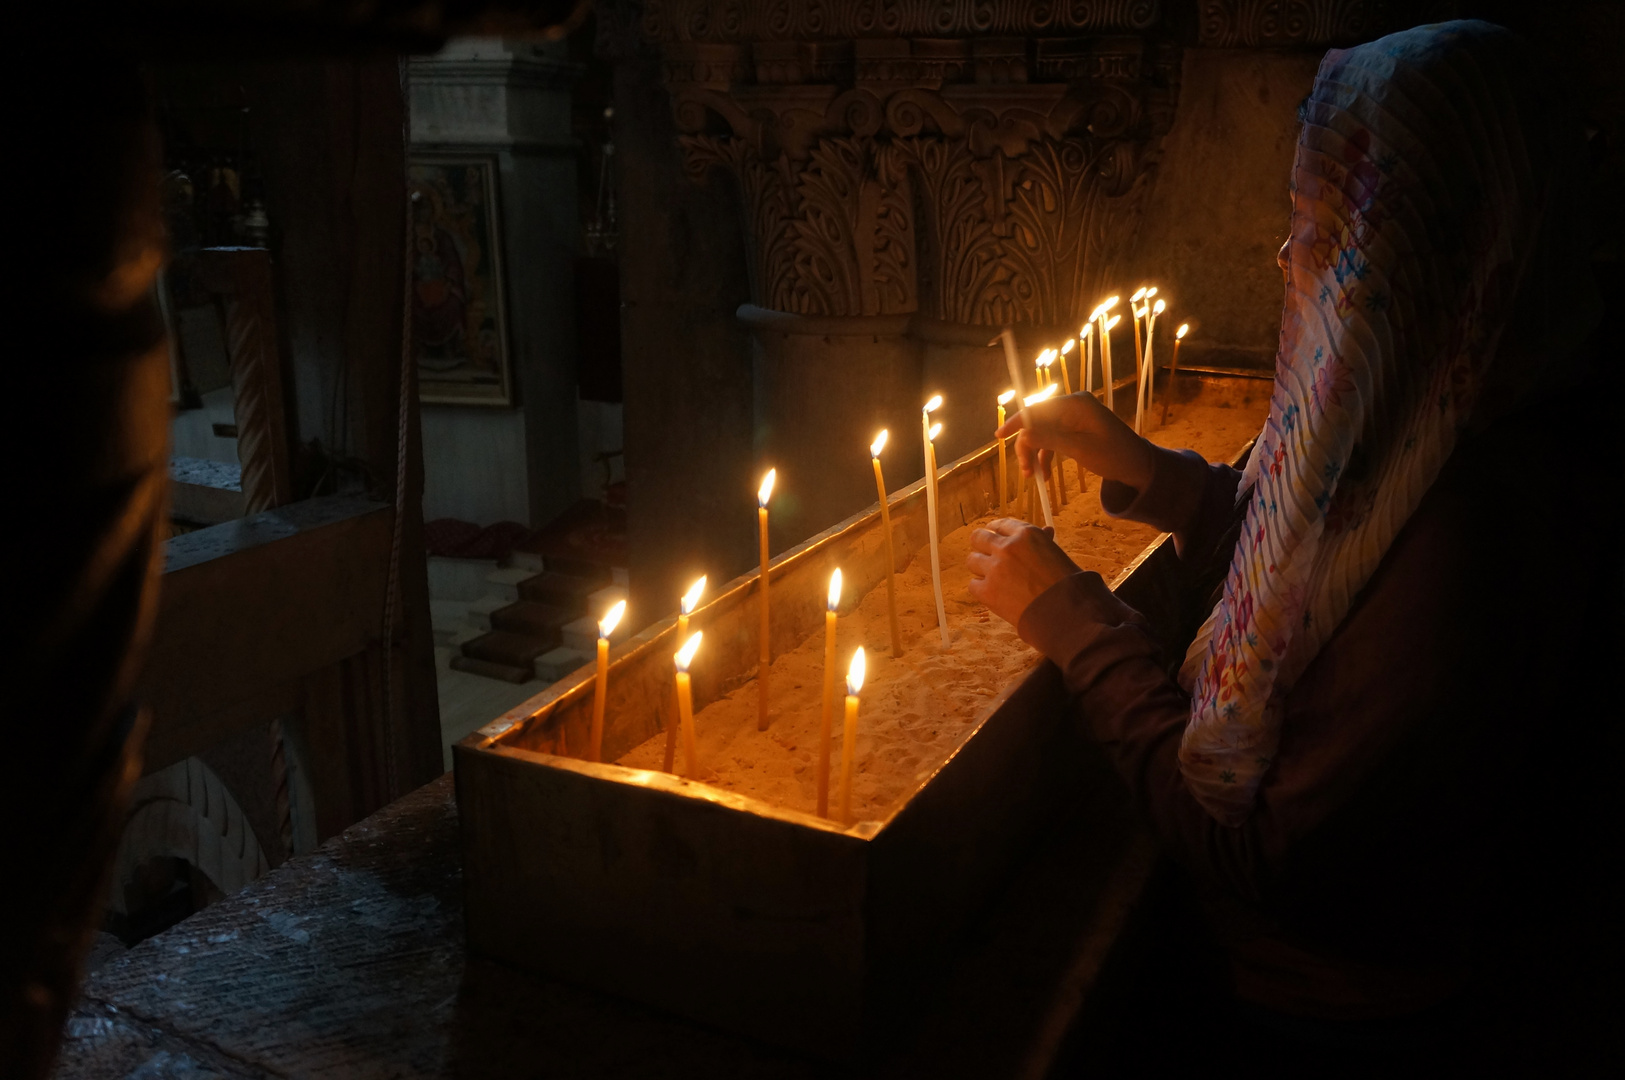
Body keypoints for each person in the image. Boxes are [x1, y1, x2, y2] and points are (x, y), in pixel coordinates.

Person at [968, 20, 1618, 1069]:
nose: (1284, 257)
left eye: (1324, 225)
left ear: (1427, 247)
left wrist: (1079, 626)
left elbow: (1261, 847)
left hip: (1327, 1013)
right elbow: (1315, 554)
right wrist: (1139, 464)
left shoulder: (1483, 536)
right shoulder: (1429, 422)